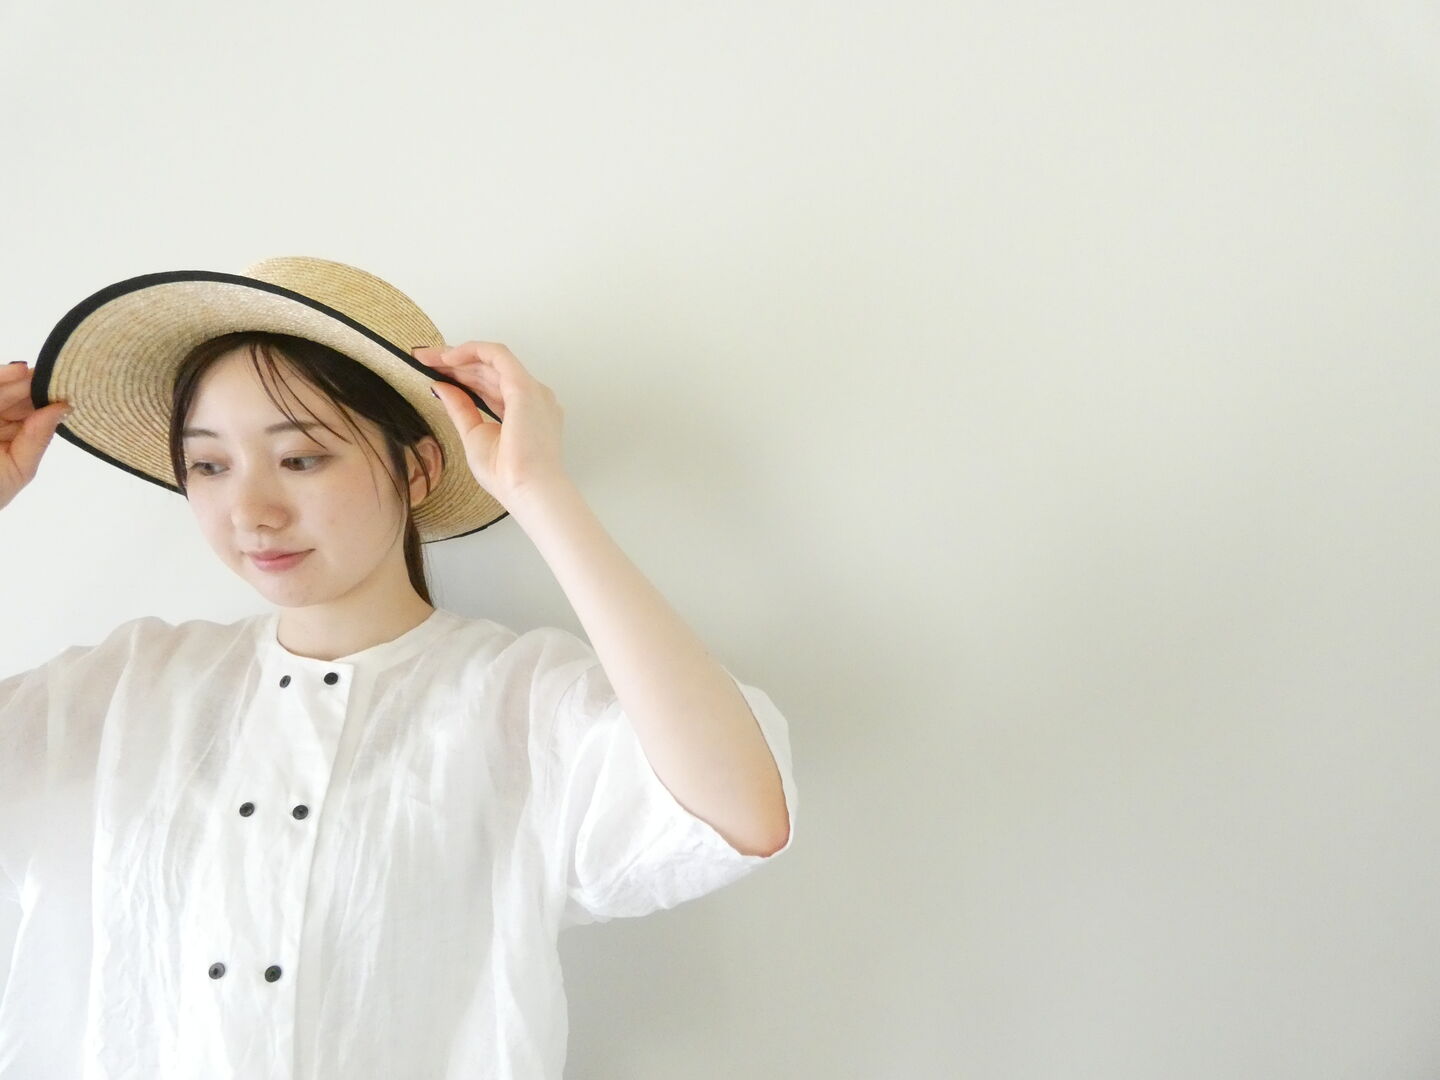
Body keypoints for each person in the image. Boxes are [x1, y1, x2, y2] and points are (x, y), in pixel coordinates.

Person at [0, 256, 798, 1079]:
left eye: (301, 458)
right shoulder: (126, 687)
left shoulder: (518, 701)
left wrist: (537, 489)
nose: (252, 512)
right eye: (209, 465)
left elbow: (740, 815)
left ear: (416, 469)